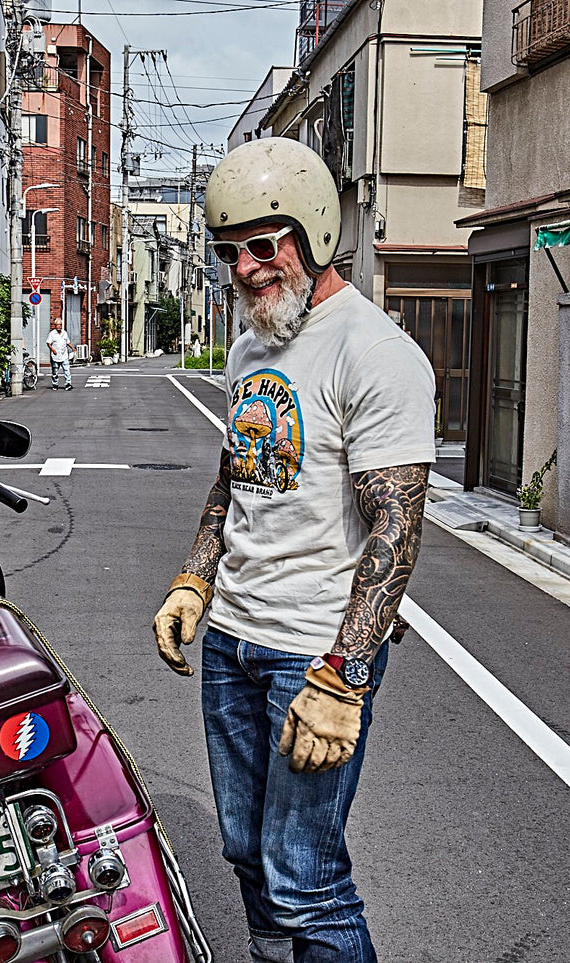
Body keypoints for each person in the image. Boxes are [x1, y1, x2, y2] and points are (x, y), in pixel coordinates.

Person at [152, 137, 436, 963]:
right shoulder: (250, 348)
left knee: (303, 875)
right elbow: (233, 477)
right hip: (233, 641)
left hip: (311, 656)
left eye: (262, 246)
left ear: (310, 233)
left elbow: (396, 527)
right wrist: (193, 584)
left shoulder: (373, 353)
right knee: (247, 855)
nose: (244, 268)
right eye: (229, 251)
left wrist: (343, 675)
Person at [47, 318, 73, 390]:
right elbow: (48, 343)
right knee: (55, 371)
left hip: (64, 355)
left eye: (60, 325)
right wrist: (53, 350)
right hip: (55, 356)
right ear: (55, 325)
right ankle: (55, 384)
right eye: (57, 325)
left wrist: (73, 348)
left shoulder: (64, 333)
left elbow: (68, 342)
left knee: (67, 370)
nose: (59, 326)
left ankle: (68, 384)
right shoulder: (52, 334)